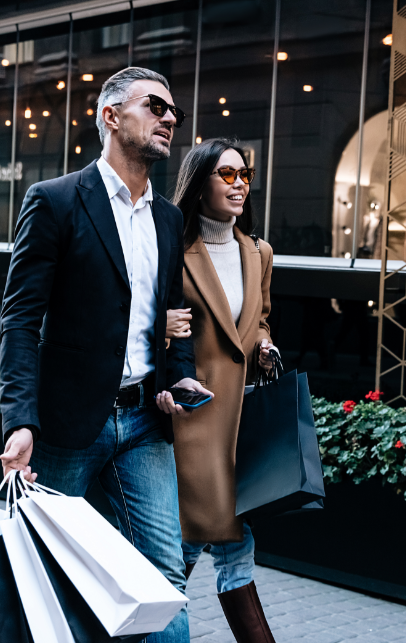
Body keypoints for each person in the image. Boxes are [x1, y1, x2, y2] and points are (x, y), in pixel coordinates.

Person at [0, 66, 212, 643]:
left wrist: (180, 376)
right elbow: (19, 318)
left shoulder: (167, 217)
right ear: (111, 116)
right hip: (68, 424)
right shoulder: (56, 201)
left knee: (162, 574)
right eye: (156, 107)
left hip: (144, 421)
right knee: (39, 571)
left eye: (175, 113)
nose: (170, 118)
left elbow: (174, 316)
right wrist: (20, 420)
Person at [163, 137, 279, 642]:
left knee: (227, 541)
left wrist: (267, 345)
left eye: (244, 176)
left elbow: (260, 321)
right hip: (192, 421)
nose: (239, 185)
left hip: (242, 420)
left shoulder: (258, 252)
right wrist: (161, 329)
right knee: (196, 541)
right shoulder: (173, 248)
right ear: (199, 182)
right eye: (226, 175)